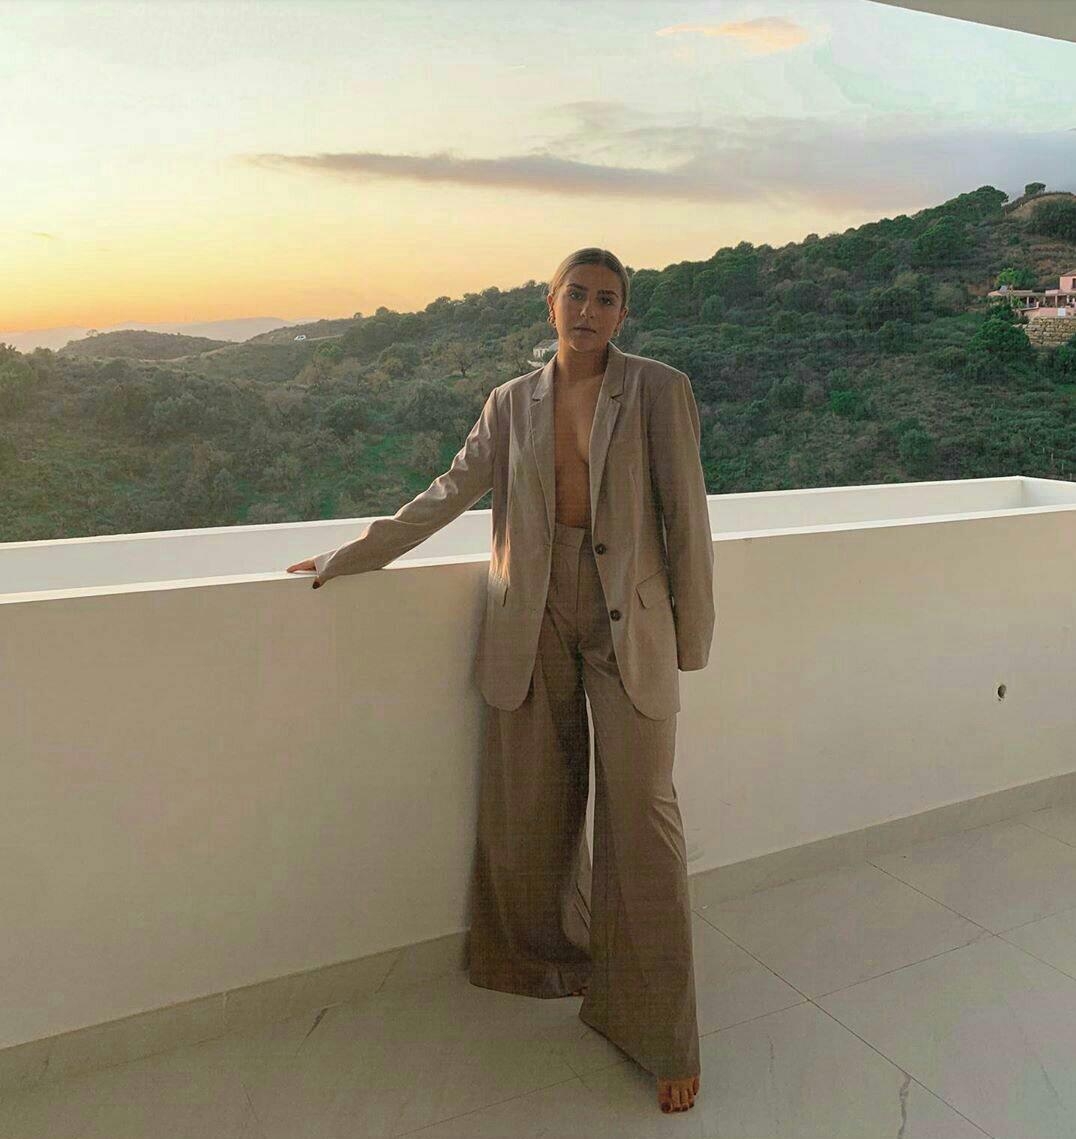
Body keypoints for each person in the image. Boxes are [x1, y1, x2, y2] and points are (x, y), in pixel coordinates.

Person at [287, 248, 714, 1114]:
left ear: (623, 314)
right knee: (532, 801)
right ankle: (546, 958)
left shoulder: (659, 390)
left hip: (629, 617)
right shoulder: (511, 402)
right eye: (576, 295)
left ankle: (662, 1030)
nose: (589, 310)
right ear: (549, 303)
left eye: (607, 299)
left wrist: (692, 637)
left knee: (643, 817)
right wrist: (353, 554)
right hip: (532, 609)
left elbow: (687, 516)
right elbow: (449, 490)